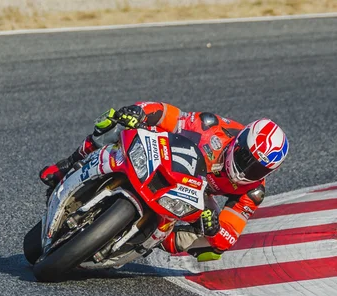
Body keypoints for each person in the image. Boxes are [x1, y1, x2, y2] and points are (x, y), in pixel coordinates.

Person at [39, 102, 289, 261]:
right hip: (168, 161)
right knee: (115, 122)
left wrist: (212, 228)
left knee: (213, 249)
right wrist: (140, 113)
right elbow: (170, 116)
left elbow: (229, 235)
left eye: (257, 168)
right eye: (247, 158)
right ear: (240, 141)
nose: (247, 169)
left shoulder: (253, 191)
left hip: (197, 198)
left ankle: (150, 241)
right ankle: (68, 164)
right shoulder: (213, 127)